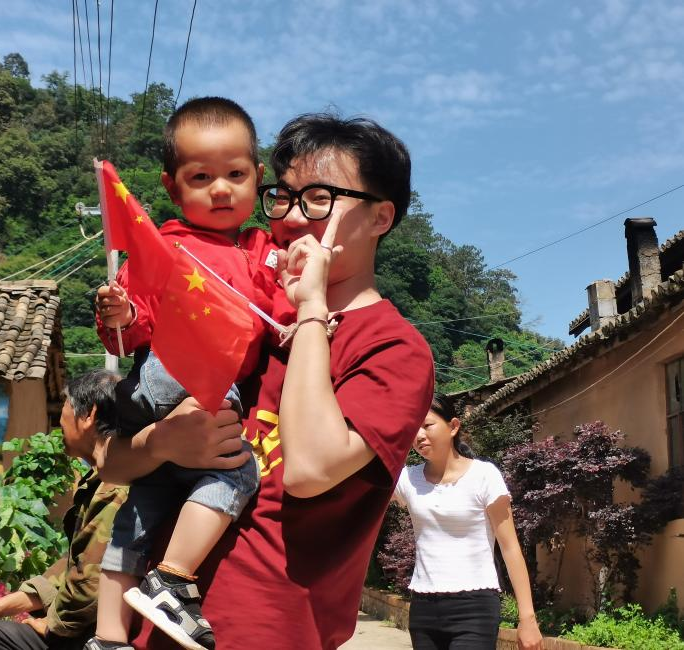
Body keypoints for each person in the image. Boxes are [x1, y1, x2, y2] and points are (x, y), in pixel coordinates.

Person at [98, 112, 436, 650]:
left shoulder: (394, 348)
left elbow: (308, 469)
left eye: (320, 198)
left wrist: (311, 308)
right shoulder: (245, 315)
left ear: (381, 216)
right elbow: (110, 463)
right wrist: (162, 443)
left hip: (265, 633)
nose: (293, 217)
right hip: (154, 626)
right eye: (283, 196)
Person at [88, 97, 277, 650]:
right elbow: (132, 332)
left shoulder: (256, 249)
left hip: (147, 400)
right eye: (201, 177)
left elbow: (129, 333)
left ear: (256, 176)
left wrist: (123, 318)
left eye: (235, 175)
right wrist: (121, 316)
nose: (220, 189)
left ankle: (107, 637)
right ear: (173, 188)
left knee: (139, 512)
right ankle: (172, 579)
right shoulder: (170, 248)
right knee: (237, 470)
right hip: (186, 377)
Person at [0, 370, 128, 650]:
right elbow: (70, 569)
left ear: (88, 415)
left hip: (93, 637)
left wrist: (51, 625)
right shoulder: (105, 478)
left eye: (65, 406)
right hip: (87, 629)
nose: (59, 421)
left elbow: (88, 586)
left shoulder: (113, 486)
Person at [393, 393, 543, 650]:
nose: (419, 435)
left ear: (453, 426)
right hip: (423, 608)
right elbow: (361, 489)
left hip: (475, 607)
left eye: (427, 425)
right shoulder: (407, 479)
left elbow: (510, 548)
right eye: (413, 428)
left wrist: (527, 618)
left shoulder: (484, 476)